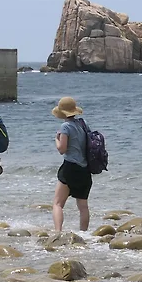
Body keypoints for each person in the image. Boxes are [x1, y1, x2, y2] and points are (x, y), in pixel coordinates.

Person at [51, 96, 92, 232]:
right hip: (85, 168)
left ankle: (58, 232)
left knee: (57, 204)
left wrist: (56, 139)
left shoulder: (65, 127)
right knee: (83, 206)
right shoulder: (83, 124)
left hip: (70, 168)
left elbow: (62, 149)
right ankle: (84, 233)